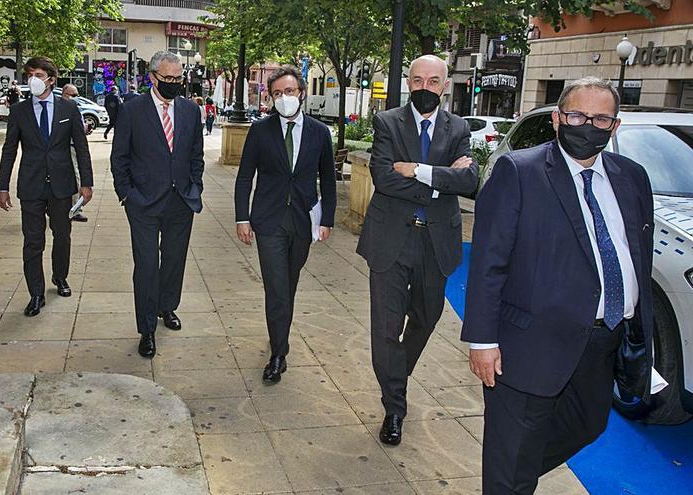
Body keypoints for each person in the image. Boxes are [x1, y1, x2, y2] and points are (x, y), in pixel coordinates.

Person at [462, 77, 654, 494]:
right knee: (510, 463)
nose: (588, 125)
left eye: (601, 118)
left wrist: (640, 329)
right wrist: (481, 340)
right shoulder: (520, 171)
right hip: (526, 345)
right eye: (578, 115)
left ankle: (514, 469)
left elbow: (636, 253)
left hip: (602, 342)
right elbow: (488, 261)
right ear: (557, 119)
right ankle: (509, 476)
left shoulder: (632, 177)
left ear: (614, 126)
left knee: (588, 426)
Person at [356, 54, 478, 445]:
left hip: (435, 242)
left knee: (427, 318)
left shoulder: (458, 128)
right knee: (386, 329)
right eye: (418, 79)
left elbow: (470, 180)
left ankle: (395, 376)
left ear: (445, 85)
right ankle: (395, 407)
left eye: (433, 81)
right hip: (390, 240)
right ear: (409, 81)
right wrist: (444, 180)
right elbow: (384, 178)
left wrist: (420, 171)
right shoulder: (387, 121)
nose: (425, 87)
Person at [234, 65, 337, 383]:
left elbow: (329, 181)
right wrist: (242, 217)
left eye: (289, 91)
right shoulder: (260, 131)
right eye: (277, 93)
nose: (284, 98)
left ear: (301, 93)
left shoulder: (320, 133)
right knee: (277, 287)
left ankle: (278, 329)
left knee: (288, 284)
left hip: (303, 220)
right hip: (268, 221)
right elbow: (244, 177)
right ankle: (279, 354)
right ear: (270, 98)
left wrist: (328, 220)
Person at [111, 51, 204, 359]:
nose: (175, 84)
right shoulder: (132, 110)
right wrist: (126, 195)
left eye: (179, 78)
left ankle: (167, 307)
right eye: (169, 79)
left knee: (174, 261)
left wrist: (195, 186)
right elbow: (119, 158)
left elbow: (195, 156)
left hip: (181, 201)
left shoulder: (191, 111)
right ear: (152, 77)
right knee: (148, 265)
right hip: (143, 204)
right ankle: (147, 328)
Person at [0, 56, 93, 317]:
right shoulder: (19, 112)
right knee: (33, 241)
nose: (33, 80)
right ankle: (36, 293)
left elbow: (81, 148)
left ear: (51, 79)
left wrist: (87, 184)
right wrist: (1, 186)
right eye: (30, 75)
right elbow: (9, 151)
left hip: (62, 185)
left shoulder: (68, 109)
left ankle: (60, 278)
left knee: (62, 236)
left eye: (39, 75)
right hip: (31, 186)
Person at [60, 83, 88, 223]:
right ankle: (73, 209)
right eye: (73, 95)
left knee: (76, 179)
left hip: (73, 148)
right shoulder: (58, 110)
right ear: (64, 94)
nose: (75, 98)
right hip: (65, 149)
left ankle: (75, 208)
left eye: (77, 95)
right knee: (74, 178)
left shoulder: (74, 109)